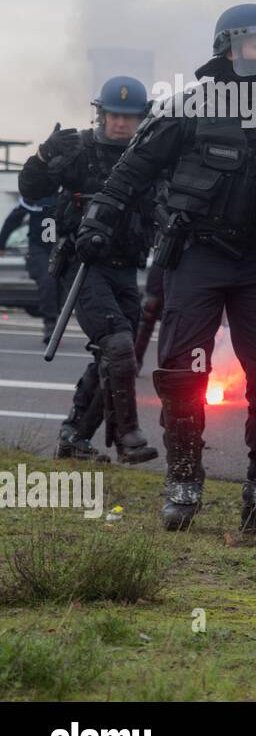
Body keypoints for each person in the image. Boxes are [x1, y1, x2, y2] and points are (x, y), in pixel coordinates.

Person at [81, 3, 256, 532]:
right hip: (197, 255)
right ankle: (183, 485)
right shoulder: (186, 108)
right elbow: (129, 174)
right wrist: (98, 220)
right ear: (228, 47)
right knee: (183, 373)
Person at [22, 78, 159, 464]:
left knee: (120, 356)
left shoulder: (149, 157)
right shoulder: (80, 150)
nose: (121, 123)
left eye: (130, 117)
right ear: (101, 114)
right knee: (116, 345)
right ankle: (129, 437)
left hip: (124, 269)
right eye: (115, 115)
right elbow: (31, 189)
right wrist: (44, 157)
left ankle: (75, 437)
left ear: (141, 119)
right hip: (81, 267)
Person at [0, 195, 59, 341]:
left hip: (64, 245)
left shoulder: (70, 188)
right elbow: (14, 218)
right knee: (48, 279)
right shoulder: (36, 194)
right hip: (40, 248)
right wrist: (1, 243)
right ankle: (50, 323)